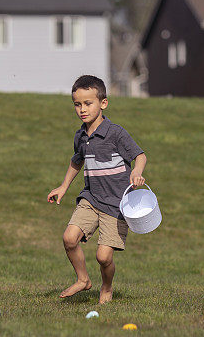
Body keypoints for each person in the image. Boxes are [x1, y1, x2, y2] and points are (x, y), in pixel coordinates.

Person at [47, 75, 147, 304]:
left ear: (103, 103)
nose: (82, 109)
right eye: (77, 104)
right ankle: (83, 280)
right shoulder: (81, 136)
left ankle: (107, 287)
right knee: (69, 238)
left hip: (117, 204)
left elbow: (140, 156)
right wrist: (63, 187)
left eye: (88, 103)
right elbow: (77, 160)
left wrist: (136, 172)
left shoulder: (116, 133)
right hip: (91, 199)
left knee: (103, 257)